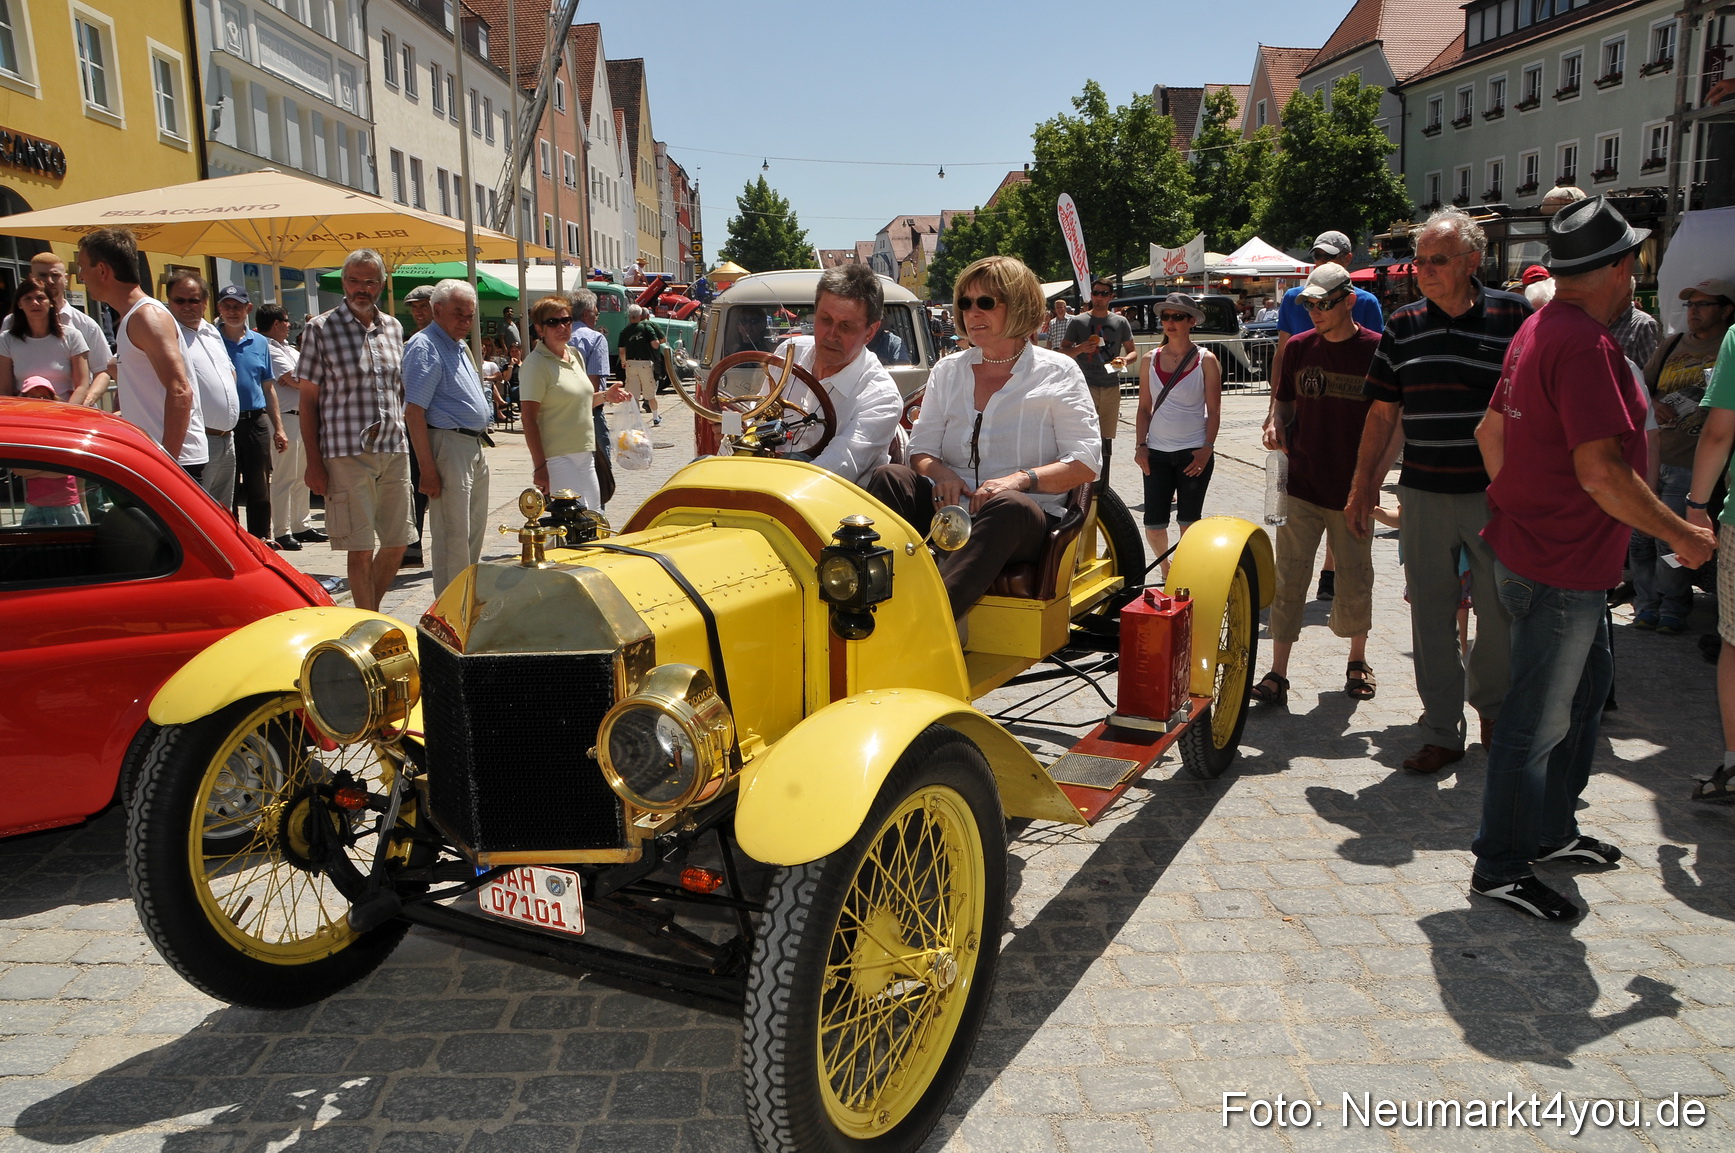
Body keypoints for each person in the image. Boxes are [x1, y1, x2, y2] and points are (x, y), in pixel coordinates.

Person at [1471, 195, 1715, 920]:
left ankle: (1548, 832)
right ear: (1616, 269)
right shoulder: (1582, 342)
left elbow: (1490, 432)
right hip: (1559, 566)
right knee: (1535, 719)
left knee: (1583, 698)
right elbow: (1602, 473)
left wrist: (1519, 500)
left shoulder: (1539, 325)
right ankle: (1500, 864)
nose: (1638, 273)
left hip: (1549, 556)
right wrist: (1679, 533)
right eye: (1635, 260)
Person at [1347, 207, 1530, 775]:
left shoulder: (1514, 315)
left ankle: (1494, 713)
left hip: (1494, 494)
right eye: (1419, 260)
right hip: (1423, 492)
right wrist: (1361, 489)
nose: (1422, 269)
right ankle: (1441, 731)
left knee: (1500, 612)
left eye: (1437, 260)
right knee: (1430, 614)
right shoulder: (1404, 324)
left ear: (1472, 262)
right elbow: (1382, 415)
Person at [865, 256, 1101, 619]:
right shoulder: (948, 370)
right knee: (889, 477)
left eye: (986, 303)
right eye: (965, 302)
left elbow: (1085, 463)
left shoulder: (1059, 372)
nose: (973, 312)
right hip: (950, 512)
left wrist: (1019, 480)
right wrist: (942, 475)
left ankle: (929, 621)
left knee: (1008, 504)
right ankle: (868, 595)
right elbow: (921, 449)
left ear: (1019, 305)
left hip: (1024, 520)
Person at [1251, 265, 1384, 706]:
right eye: (1307, 303)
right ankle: (1277, 673)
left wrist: (1372, 483)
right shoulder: (1299, 348)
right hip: (1301, 483)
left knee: (1354, 577)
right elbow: (1284, 404)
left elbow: (1388, 421)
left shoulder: (1377, 350)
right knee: (1289, 577)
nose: (1314, 312)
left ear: (1348, 301)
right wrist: (1275, 426)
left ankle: (1357, 660)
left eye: (1323, 303)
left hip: (1351, 488)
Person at [297, 248, 414, 613]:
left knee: (399, 543)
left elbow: (400, 391)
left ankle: (365, 612)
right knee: (360, 548)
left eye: (369, 282)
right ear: (343, 282)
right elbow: (307, 402)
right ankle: (369, 625)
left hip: (394, 448)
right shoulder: (320, 328)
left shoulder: (394, 328)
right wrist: (313, 463)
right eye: (353, 281)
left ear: (381, 284)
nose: (361, 289)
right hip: (345, 451)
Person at [1271, 231, 1386, 601]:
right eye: (1318, 255)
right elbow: (1282, 352)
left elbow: (1375, 361)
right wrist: (1274, 411)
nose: (1323, 260)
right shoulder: (1293, 298)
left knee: (1341, 495)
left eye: (1331, 256)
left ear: (1349, 260)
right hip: (1306, 395)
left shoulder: (1365, 301)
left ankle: (1330, 570)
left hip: (1347, 410)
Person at [1632, 279, 1735, 632]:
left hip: (1691, 465)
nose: (1694, 311)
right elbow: (1642, 384)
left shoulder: (1728, 346)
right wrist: (1655, 403)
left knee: (1671, 539)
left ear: (1725, 309)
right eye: (1691, 305)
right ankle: (1646, 603)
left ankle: (1674, 607)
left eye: (1704, 305)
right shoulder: (1672, 343)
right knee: (1640, 537)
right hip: (1655, 455)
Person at [74, 228, 205, 475]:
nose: (80, 276)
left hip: (174, 461)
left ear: (102, 270)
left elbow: (180, 391)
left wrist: (167, 464)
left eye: (83, 267)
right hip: (156, 457)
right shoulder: (133, 318)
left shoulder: (146, 316)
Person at [767, 264, 903, 484]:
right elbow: (757, 421)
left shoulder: (882, 397)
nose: (831, 335)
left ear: (870, 331)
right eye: (825, 320)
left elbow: (836, 469)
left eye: (846, 326)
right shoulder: (788, 353)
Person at [403, 280, 494, 594]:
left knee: (471, 534)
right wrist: (427, 470)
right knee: (452, 536)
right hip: (448, 445)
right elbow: (413, 412)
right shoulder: (425, 345)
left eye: (470, 315)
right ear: (436, 310)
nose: (466, 322)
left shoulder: (456, 344)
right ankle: (449, 609)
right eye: (459, 314)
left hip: (471, 445)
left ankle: (465, 601)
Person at [1133, 293, 1220, 578]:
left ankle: (1185, 570)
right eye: (1166, 316)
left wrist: (1207, 448)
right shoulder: (1149, 359)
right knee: (1154, 524)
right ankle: (1165, 568)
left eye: (1178, 316)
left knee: (1188, 522)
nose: (1170, 322)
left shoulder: (1206, 360)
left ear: (1191, 321)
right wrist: (1140, 445)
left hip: (1193, 451)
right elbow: (1144, 407)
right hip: (1156, 453)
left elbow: (1214, 411)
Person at [520, 294, 629, 509]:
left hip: (585, 452)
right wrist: (540, 466)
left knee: (594, 516)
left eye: (566, 320)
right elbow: (528, 419)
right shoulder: (535, 365)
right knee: (571, 523)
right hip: (557, 456)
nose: (562, 327)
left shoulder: (574, 355)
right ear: (540, 329)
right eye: (553, 322)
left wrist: (607, 395)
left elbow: (581, 402)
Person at [214, 285, 288, 541]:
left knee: (259, 487)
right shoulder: (211, 338)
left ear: (248, 309)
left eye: (237, 306)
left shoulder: (259, 342)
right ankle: (230, 541)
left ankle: (261, 540)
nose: (232, 311)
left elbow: (268, 388)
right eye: (227, 306)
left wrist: (278, 427)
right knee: (228, 488)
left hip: (255, 421)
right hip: (224, 423)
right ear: (219, 308)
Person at [166, 273, 242, 507]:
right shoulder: (167, 333)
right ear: (169, 301)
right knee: (198, 510)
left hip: (227, 437)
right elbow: (114, 365)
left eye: (194, 300)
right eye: (180, 301)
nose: (187, 306)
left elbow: (229, 371)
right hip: (199, 438)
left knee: (223, 511)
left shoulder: (211, 332)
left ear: (205, 303)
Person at [3, 252, 112, 406]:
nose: (49, 281)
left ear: (65, 278)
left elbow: (103, 371)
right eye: (42, 275)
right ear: (31, 277)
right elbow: (5, 383)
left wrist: (84, 404)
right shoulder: (10, 325)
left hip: (73, 413)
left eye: (55, 275)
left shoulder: (85, 325)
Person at [259, 304, 322, 551]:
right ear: (276, 323)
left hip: (302, 416)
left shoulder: (288, 349)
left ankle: (301, 524)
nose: (289, 325)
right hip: (285, 418)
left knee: (301, 475)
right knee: (284, 476)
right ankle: (282, 530)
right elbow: (294, 379)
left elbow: (307, 376)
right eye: (286, 320)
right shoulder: (268, 348)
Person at [1060, 278, 1135, 462]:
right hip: (1085, 386)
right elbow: (1063, 351)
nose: (1099, 297)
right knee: (1085, 435)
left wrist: (1124, 360)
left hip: (1111, 385)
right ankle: (1085, 482)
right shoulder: (1078, 321)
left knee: (1106, 438)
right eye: (1095, 293)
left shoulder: (1120, 322)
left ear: (1111, 296)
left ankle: (1103, 482)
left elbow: (1132, 352)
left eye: (1103, 293)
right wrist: (1080, 348)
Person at [0, 274, 89, 403]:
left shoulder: (73, 336)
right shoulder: (6, 339)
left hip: (66, 413)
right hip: (25, 414)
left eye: (40, 298)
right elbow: (4, 390)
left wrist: (66, 412)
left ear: (51, 303)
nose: (34, 303)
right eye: (28, 298)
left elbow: (82, 386)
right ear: (19, 304)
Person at [400, 284, 435, 567]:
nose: (418, 312)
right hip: (416, 426)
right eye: (414, 307)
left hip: (438, 428)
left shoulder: (439, 339)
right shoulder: (417, 342)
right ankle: (412, 548)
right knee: (416, 488)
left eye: (423, 306)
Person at [570, 290, 614, 465]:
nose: (597, 317)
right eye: (596, 313)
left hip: (560, 412)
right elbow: (593, 382)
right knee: (599, 469)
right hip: (589, 412)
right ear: (586, 313)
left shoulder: (557, 337)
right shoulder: (595, 339)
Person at [619, 304, 664, 426]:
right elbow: (655, 344)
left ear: (629, 316)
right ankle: (655, 417)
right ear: (640, 316)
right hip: (645, 363)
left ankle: (637, 420)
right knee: (650, 393)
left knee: (634, 395)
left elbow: (622, 349)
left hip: (630, 364)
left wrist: (623, 361)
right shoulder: (646, 328)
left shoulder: (625, 330)